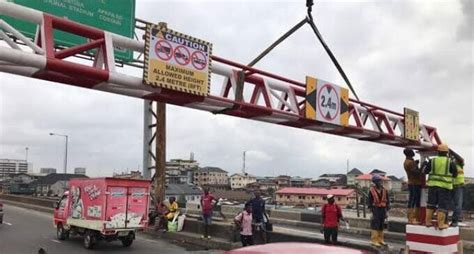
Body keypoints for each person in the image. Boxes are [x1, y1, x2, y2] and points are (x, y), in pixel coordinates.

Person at [423, 143, 457, 229]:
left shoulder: (432, 161)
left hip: (432, 186)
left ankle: (428, 222)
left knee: (431, 204)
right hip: (445, 187)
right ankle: (441, 224)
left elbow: (425, 171)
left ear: (438, 152)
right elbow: (455, 174)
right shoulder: (450, 162)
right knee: (442, 205)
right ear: (447, 152)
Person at [403, 148, 424, 224]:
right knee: (414, 200)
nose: (413, 152)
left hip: (412, 183)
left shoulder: (407, 162)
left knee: (413, 200)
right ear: (410, 154)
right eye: (411, 151)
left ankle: (413, 218)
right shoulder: (410, 163)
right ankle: (412, 218)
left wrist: (416, 164)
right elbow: (417, 172)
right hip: (415, 183)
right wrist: (422, 166)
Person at [368, 174, 390, 247]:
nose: (380, 182)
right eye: (379, 181)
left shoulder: (384, 190)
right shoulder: (371, 191)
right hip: (375, 209)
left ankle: (381, 240)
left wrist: (387, 211)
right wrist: (371, 212)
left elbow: (387, 201)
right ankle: (374, 240)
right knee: (375, 224)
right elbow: (369, 202)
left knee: (381, 224)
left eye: (381, 181)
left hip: (383, 209)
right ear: (375, 182)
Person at [450, 153, 465, 227]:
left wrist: (452, 152)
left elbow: (461, 159)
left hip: (458, 186)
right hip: (451, 186)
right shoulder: (451, 165)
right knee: (453, 204)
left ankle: (454, 221)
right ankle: (447, 221)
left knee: (458, 205)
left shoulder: (460, 165)